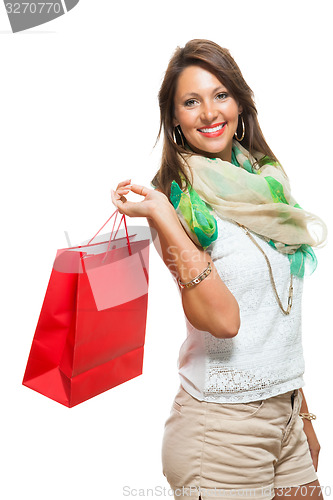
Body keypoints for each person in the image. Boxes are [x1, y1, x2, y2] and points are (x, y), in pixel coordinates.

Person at [111, 39, 327, 500]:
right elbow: (225, 322)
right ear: (174, 118)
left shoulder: (266, 185)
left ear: (240, 102)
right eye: (191, 101)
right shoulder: (178, 202)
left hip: (286, 416)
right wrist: (164, 217)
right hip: (221, 433)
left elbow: (277, 318)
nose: (209, 113)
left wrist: (301, 414)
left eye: (220, 95)